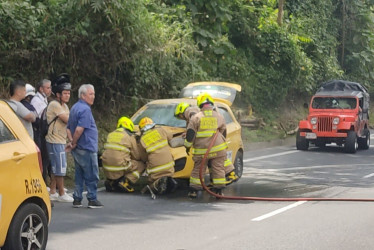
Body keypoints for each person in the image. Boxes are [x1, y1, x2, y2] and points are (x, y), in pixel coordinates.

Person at [174, 102, 238, 186]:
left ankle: (228, 176)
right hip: (214, 142)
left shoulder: (191, 113)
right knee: (217, 161)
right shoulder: (197, 111)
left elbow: (196, 128)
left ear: (181, 111)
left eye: (180, 116)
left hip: (207, 143)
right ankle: (218, 183)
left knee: (214, 162)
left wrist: (188, 144)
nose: (182, 118)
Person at [184, 93, 227, 198]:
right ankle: (219, 191)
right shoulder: (219, 116)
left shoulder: (196, 117)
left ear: (200, 105)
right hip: (218, 149)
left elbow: (190, 134)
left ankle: (194, 191)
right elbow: (223, 131)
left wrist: (187, 146)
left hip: (202, 151)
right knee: (218, 168)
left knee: (199, 169)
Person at [67, 84, 103, 208]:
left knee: (79, 174)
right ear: (83, 95)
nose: (93, 97)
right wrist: (75, 141)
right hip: (86, 146)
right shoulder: (85, 109)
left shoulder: (74, 108)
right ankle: (92, 199)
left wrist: (72, 142)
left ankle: (77, 199)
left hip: (78, 148)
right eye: (90, 94)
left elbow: (68, 128)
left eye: (93, 94)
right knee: (92, 174)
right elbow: (79, 129)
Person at [46, 74, 74, 202]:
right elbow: (68, 119)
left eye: (68, 93)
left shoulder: (65, 106)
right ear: (58, 94)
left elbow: (68, 125)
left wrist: (70, 139)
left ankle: (53, 191)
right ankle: (61, 193)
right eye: (65, 93)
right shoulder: (54, 104)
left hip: (61, 139)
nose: (67, 95)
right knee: (60, 167)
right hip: (54, 139)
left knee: (56, 167)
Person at [102, 116, 147, 192]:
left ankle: (111, 182)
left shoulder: (110, 135)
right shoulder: (129, 137)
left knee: (119, 160)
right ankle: (125, 181)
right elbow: (136, 155)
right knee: (141, 165)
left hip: (106, 166)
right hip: (120, 166)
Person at [138, 117, 177, 195]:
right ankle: (168, 181)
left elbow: (143, 158)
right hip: (169, 166)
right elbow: (170, 136)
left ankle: (158, 183)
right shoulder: (161, 130)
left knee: (151, 183)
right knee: (168, 173)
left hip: (155, 169)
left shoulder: (142, 139)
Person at [31, 79, 52, 182]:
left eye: (50, 87)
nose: (50, 90)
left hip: (45, 131)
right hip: (39, 131)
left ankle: (49, 180)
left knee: (47, 157)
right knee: (43, 157)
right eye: (48, 88)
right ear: (41, 89)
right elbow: (40, 116)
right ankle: (42, 181)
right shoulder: (36, 100)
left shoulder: (44, 99)